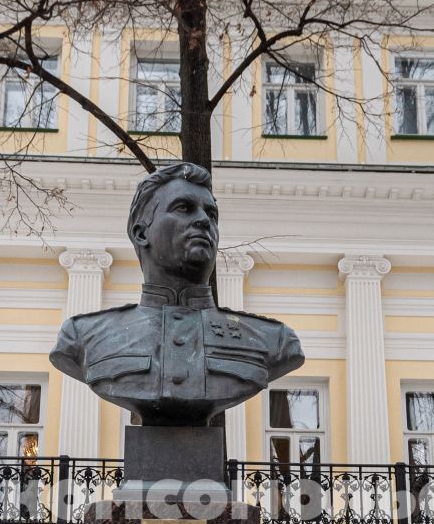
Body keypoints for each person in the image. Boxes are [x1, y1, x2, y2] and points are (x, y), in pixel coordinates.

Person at [51, 163, 302, 428]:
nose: (204, 220)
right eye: (184, 208)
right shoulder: (83, 336)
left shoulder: (273, 340)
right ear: (141, 232)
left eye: (211, 214)